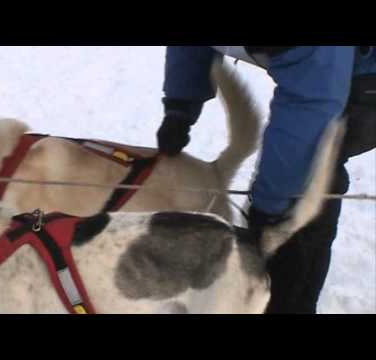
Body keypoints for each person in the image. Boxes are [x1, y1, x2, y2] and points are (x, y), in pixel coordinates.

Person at [157, 46, 376, 313]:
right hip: (314, 72)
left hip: (360, 81)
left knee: (308, 189)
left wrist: (270, 210)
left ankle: (291, 302)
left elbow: (310, 105)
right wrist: (180, 107)